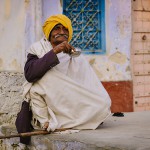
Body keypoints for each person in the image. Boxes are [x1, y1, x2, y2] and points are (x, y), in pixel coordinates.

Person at [22, 14, 111, 132]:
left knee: (104, 103)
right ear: (49, 32)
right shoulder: (37, 49)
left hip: (70, 101)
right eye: (57, 28)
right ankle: (46, 122)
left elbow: (87, 84)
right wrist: (55, 51)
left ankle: (74, 120)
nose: (61, 32)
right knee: (36, 85)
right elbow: (30, 75)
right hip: (50, 100)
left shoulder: (75, 55)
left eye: (65, 29)